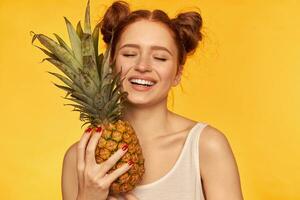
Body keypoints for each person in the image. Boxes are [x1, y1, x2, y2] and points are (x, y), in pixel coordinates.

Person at [61, 1, 244, 200]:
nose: (143, 66)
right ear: (110, 64)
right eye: (130, 54)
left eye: (160, 58)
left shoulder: (206, 146)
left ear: (177, 73)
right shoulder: (79, 158)